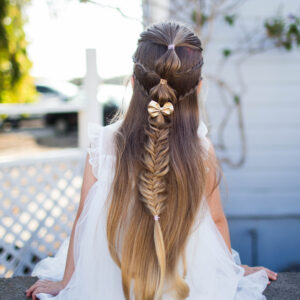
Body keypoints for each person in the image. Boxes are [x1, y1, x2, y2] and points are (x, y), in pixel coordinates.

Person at [25, 21, 277, 300]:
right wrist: (230, 270)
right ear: (199, 88)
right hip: (184, 281)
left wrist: (67, 282)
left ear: (133, 83)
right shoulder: (200, 149)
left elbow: (83, 219)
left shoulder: (103, 144)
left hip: (112, 279)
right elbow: (216, 220)